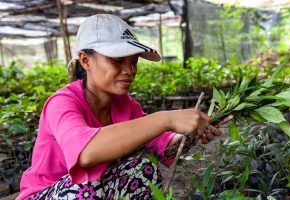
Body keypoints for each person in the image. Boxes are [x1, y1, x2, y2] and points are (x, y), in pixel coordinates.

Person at [16, 14, 222, 200]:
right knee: (89, 184)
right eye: (118, 61)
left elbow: (164, 146)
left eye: (134, 62)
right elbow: (86, 153)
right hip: (47, 195)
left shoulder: (126, 106)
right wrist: (166, 118)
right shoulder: (61, 103)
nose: (130, 70)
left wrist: (196, 130)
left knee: (143, 169)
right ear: (86, 60)